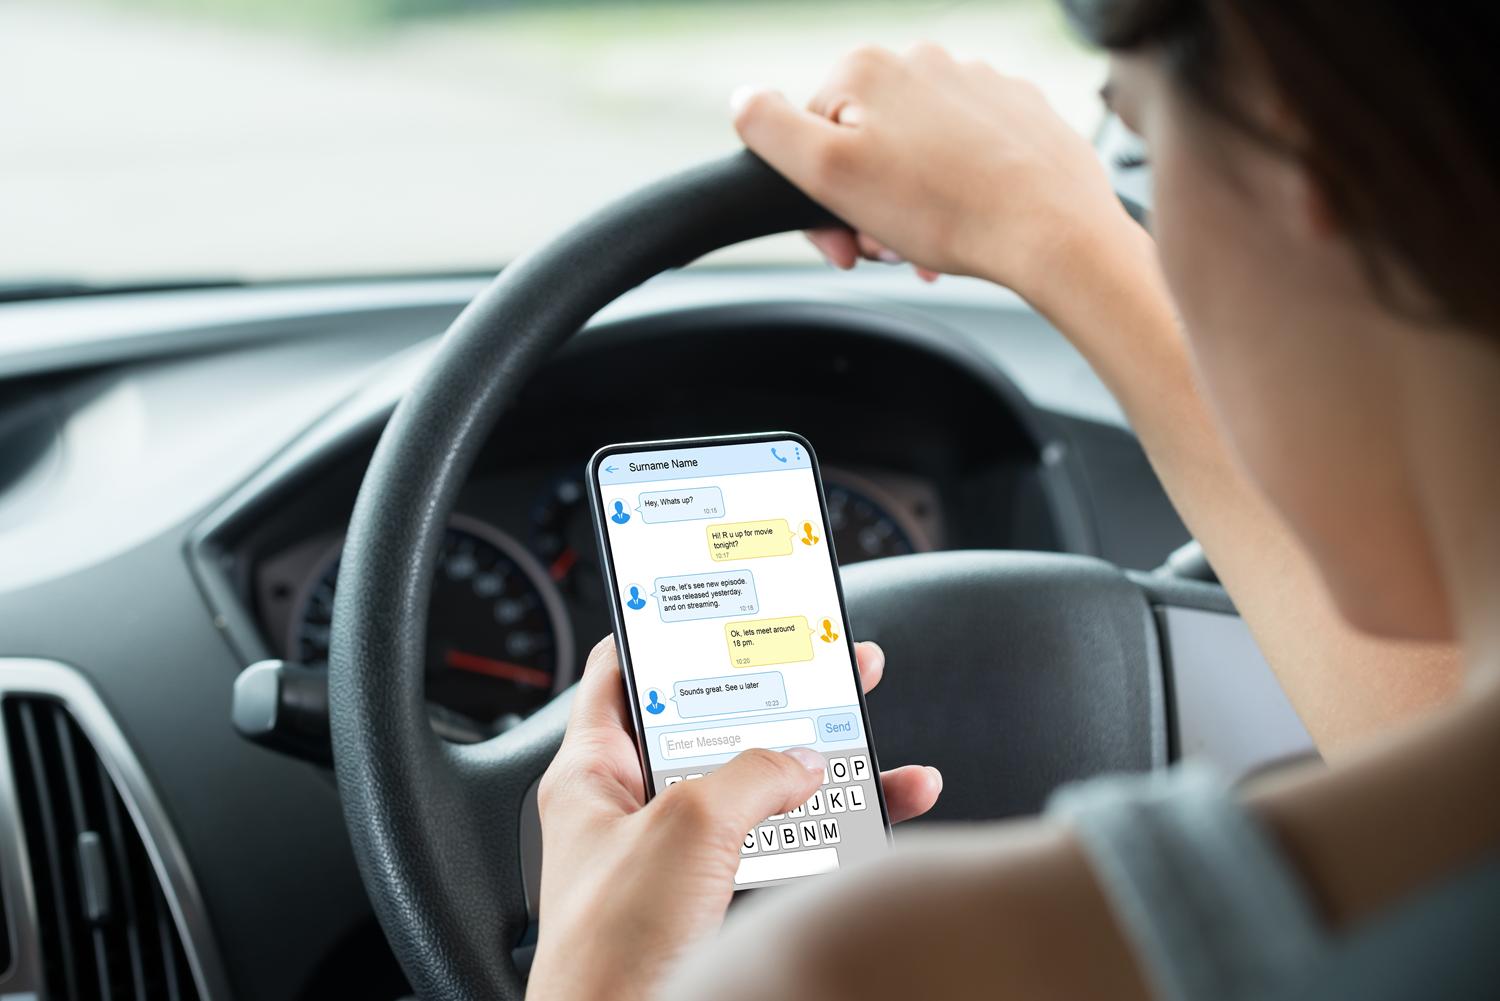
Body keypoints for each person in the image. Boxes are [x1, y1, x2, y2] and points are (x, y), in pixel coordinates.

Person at [528, 3, 1500, 998]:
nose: (1138, 208)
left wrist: (600, 969)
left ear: (1305, 165)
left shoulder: (856, 965)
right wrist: (1060, 234)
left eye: (1143, 149)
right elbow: (1435, 734)